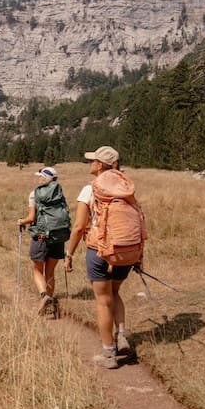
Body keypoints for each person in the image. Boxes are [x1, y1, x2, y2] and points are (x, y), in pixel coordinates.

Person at [65, 146, 142, 369]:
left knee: (103, 300)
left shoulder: (89, 189)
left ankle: (109, 353)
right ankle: (122, 334)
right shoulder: (126, 188)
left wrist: (69, 253)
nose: (90, 164)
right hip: (125, 252)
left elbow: (79, 227)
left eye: (92, 161)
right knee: (115, 292)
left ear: (100, 165)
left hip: (99, 251)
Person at [16, 166, 68, 317]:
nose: (38, 179)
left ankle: (44, 296)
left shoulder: (35, 194)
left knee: (37, 269)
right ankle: (50, 303)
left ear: (45, 178)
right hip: (58, 237)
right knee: (50, 271)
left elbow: (31, 218)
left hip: (41, 236)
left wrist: (21, 221)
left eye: (40, 176)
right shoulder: (59, 193)